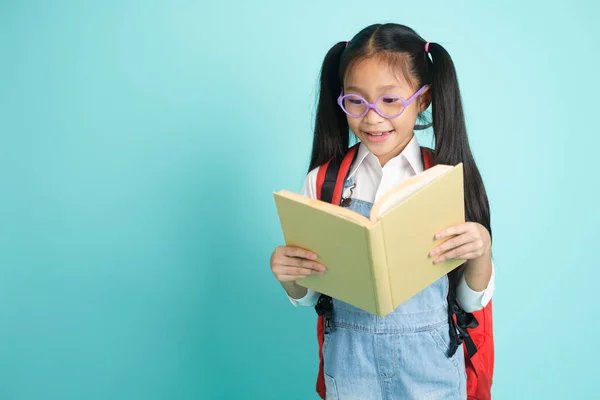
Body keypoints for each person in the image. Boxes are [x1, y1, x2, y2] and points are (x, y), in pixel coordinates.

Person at [269, 23, 495, 400]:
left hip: (432, 366)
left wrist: (481, 250)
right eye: (356, 101)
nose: (372, 118)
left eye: (391, 100)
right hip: (351, 365)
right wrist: (289, 275)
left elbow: (471, 303)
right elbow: (310, 298)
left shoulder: (446, 181)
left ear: (423, 99)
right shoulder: (323, 184)